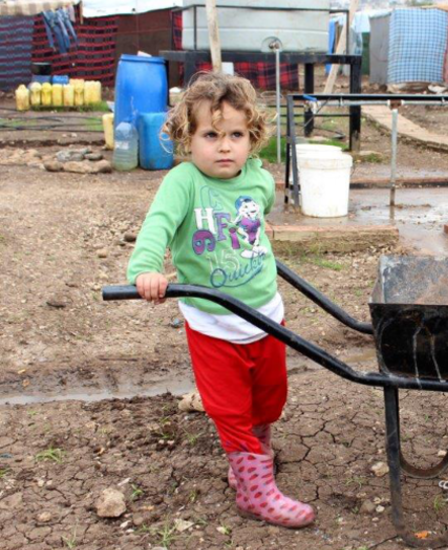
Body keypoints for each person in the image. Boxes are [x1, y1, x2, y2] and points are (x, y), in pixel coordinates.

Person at [126, 72, 315, 529]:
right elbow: (157, 227)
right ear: (188, 139)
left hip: (266, 314)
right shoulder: (183, 182)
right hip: (214, 324)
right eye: (211, 135)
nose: (224, 146)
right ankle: (256, 491)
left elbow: (254, 221)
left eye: (235, 135)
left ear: (252, 139)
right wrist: (146, 268)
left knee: (269, 400)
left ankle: (251, 463)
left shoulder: (258, 180)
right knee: (230, 408)